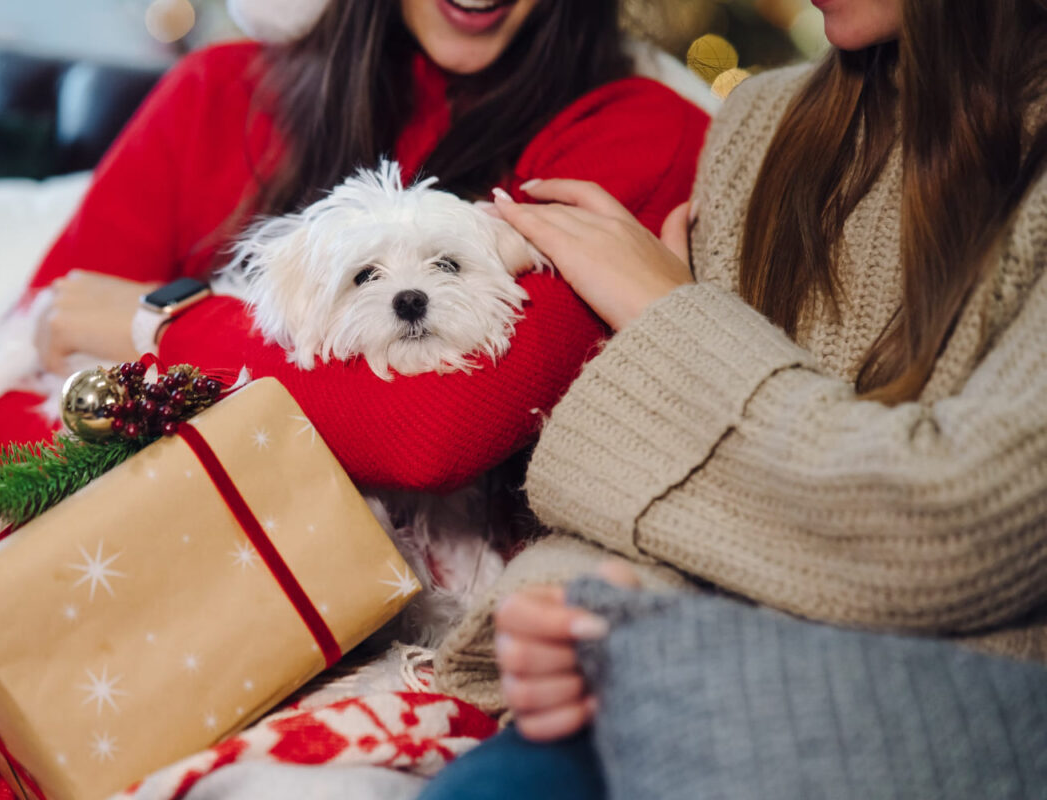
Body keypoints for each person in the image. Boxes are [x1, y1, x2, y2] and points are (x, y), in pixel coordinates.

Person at [421, 0, 1047, 796]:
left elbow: (961, 530)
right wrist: (573, 607)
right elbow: (659, 488)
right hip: (691, 679)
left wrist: (670, 317)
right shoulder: (761, 121)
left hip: (927, 732)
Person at [0, 0, 709, 497]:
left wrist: (160, 326)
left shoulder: (640, 132)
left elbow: (430, 435)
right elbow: (6, 400)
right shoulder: (217, 93)